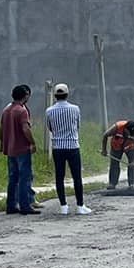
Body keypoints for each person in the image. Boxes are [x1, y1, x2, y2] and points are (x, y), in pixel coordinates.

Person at [46, 83, 91, 216]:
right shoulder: (75, 109)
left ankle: (63, 206)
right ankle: (80, 206)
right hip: (72, 146)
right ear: (67, 94)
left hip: (57, 147)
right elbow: (78, 125)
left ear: (55, 96)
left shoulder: (49, 111)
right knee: (77, 177)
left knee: (59, 177)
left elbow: (50, 128)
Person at [0, 84, 40, 215]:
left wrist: (2, 143)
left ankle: (11, 205)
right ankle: (25, 205)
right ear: (26, 95)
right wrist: (32, 142)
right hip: (22, 148)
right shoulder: (21, 111)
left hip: (10, 149)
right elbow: (25, 129)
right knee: (24, 177)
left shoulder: (7, 110)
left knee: (13, 178)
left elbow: (0, 128)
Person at [102, 116, 134, 190]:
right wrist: (104, 150)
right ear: (126, 129)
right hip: (116, 146)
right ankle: (112, 183)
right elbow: (105, 135)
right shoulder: (117, 127)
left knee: (132, 164)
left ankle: (132, 183)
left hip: (129, 146)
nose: (132, 134)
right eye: (130, 133)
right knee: (114, 163)